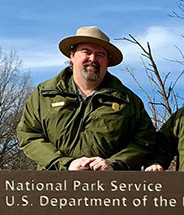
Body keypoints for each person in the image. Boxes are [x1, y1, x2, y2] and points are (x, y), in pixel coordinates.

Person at [17, 26, 156, 171]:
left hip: (109, 189)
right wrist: (64, 163)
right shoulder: (44, 94)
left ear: (108, 61)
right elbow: (29, 135)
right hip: (53, 187)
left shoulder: (127, 101)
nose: (93, 59)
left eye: (100, 54)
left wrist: (114, 164)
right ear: (72, 55)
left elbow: (145, 141)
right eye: (86, 52)